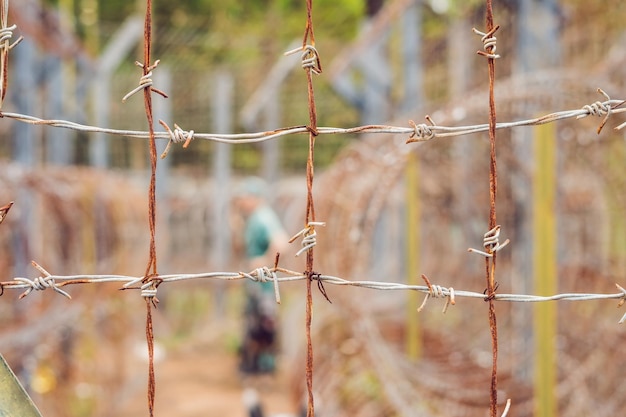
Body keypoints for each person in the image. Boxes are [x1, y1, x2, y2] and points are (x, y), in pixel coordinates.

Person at [233, 177, 289, 375]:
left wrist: (262, 261)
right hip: (256, 285)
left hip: (264, 285)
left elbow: (281, 243)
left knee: (265, 324)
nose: (239, 202)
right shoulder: (253, 218)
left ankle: (266, 366)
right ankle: (254, 364)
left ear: (254, 197)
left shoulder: (264, 217)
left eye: (243, 197)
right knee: (254, 323)